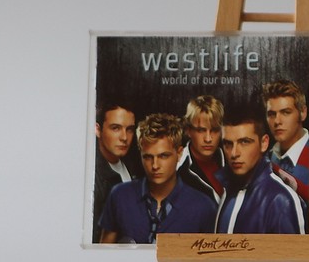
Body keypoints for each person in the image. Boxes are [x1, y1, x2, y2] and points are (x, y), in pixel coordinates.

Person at [99, 113, 216, 244]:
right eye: (148, 157)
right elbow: (103, 252)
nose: (155, 165)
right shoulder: (119, 196)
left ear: (179, 153)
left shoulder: (203, 207)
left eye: (163, 156)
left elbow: (210, 256)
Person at [215, 106, 307, 234]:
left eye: (244, 142)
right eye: (228, 144)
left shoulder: (281, 200)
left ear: (264, 143)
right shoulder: (227, 192)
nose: (234, 153)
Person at [92, 103, 142, 242]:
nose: (124, 137)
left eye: (129, 129)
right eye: (116, 128)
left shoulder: (136, 165)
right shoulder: (93, 177)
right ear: (97, 130)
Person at [263, 80, 309, 201]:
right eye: (271, 114)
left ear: (303, 113)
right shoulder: (264, 161)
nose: (277, 121)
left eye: (286, 112)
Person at [177, 95, 225, 204]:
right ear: (188, 130)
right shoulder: (177, 168)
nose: (208, 139)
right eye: (201, 130)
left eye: (214, 130)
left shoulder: (230, 158)